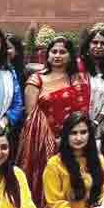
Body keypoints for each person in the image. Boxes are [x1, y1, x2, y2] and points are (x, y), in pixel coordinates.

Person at [18, 36, 89, 197]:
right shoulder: (36, 79)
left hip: (73, 142)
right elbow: (31, 117)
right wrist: (51, 140)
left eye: (62, 52)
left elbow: (82, 114)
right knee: (42, 183)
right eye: (54, 51)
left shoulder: (77, 80)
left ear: (70, 56)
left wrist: (67, 138)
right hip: (41, 143)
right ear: (47, 55)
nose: (57, 55)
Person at [82, 28, 104, 131]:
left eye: (103, 43)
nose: (98, 46)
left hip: (98, 126)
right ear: (88, 45)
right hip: (77, 125)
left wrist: (96, 122)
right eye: (95, 42)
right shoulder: (78, 68)